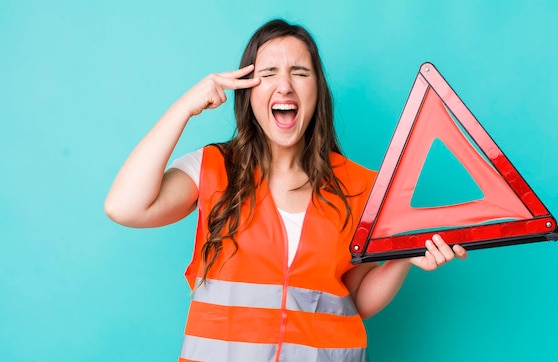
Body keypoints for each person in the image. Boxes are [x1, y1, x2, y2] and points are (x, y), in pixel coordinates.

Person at [104, 19, 467, 362]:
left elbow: (356, 299)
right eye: (268, 73)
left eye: (299, 72)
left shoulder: (360, 187)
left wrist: (403, 258)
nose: (285, 85)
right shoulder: (212, 167)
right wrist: (184, 108)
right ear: (246, 91)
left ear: (317, 90)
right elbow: (125, 207)